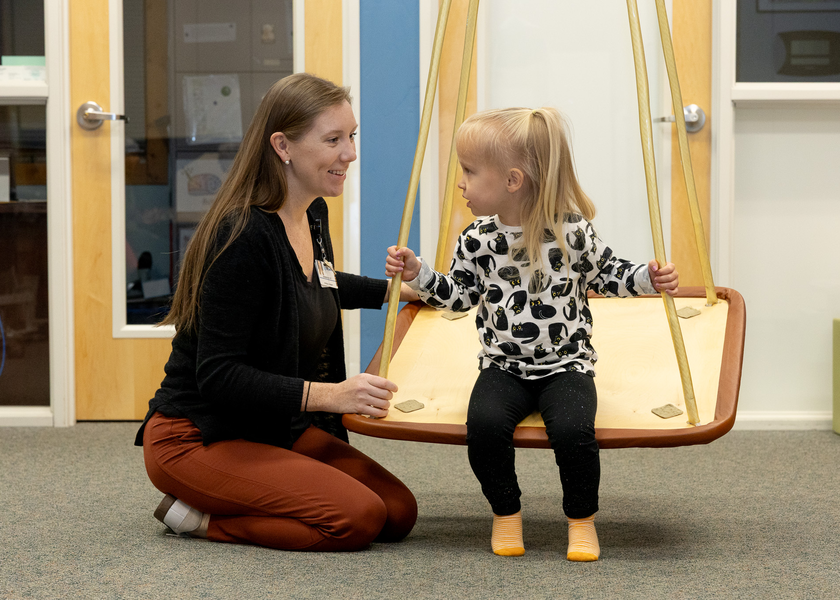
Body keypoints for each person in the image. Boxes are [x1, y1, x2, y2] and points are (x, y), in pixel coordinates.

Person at [135, 72, 418, 552]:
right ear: (283, 146)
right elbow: (219, 376)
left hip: (270, 426)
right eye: (333, 140)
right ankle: (199, 520)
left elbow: (311, 281)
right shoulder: (242, 236)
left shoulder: (311, 213)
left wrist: (400, 292)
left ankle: (253, 497)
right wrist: (332, 396)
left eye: (352, 137)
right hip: (197, 436)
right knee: (359, 518)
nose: (350, 153)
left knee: (397, 511)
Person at [385, 107, 679, 560]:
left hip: (566, 366)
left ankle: (581, 521)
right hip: (503, 366)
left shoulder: (571, 233)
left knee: (575, 433)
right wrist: (419, 273)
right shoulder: (477, 239)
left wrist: (648, 278)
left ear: (512, 180)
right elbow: (459, 296)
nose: (460, 183)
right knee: (483, 430)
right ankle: (506, 512)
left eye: (469, 171)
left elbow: (608, 274)